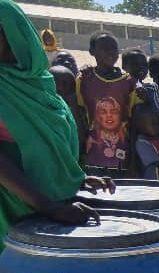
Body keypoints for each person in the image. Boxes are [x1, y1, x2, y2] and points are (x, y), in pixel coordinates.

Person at [0, 0, 114, 246]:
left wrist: (74, 178)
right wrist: (49, 207)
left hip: (51, 214)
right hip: (11, 218)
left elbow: (49, 144)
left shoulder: (42, 84)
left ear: (15, 35)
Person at [77, 32, 137, 177]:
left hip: (122, 154)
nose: (110, 52)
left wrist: (134, 155)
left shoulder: (129, 82)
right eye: (104, 48)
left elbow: (134, 120)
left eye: (114, 48)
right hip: (92, 155)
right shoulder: (84, 79)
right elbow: (79, 114)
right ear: (92, 52)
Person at [131, 104, 159, 179]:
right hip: (157, 187)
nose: (157, 126)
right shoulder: (142, 144)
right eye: (152, 123)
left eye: (158, 123)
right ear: (139, 125)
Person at [122, 48, 159, 114]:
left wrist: (147, 100)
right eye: (135, 64)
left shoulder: (151, 88)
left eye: (145, 64)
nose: (141, 67)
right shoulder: (119, 86)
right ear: (124, 67)